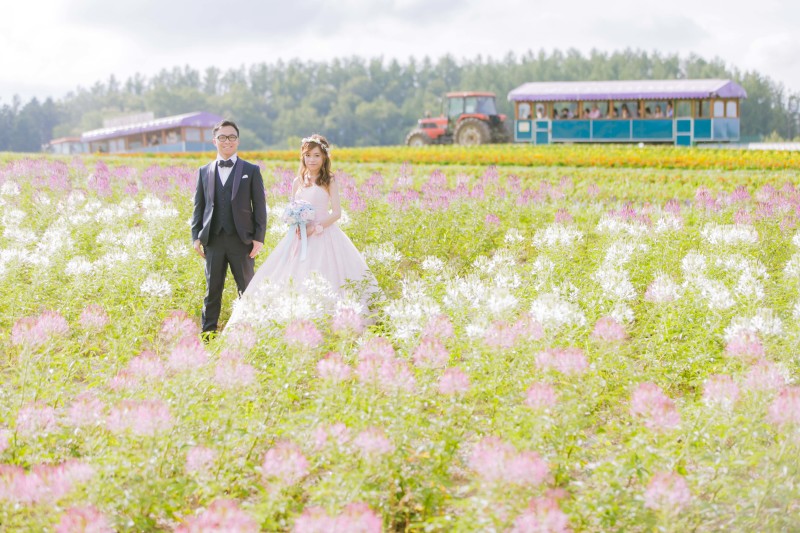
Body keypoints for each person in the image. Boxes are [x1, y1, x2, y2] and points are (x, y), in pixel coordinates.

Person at [227, 134, 377, 327]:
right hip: (299, 237)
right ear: (303, 157)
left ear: (324, 157)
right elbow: (293, 208)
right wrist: (295, 223)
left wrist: (317, 227)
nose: (312, 160)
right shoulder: (297, 182)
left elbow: (337, 212)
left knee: (326, 275)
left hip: (324, 234)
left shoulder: (329, 180)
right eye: (308, 155)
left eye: (316, 155)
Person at [191, 119, 267, 339]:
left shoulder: (251, 170)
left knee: (246, 290)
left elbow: (259, 207)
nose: (227, 141)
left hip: (242, 240)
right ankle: (208, 337)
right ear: (214, 141)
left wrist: (259, 238)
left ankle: (252, 333)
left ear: (238, 141)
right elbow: (199, 206)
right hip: (213, 240)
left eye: (232, 137)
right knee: (212, 291)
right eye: (222, 137)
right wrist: (196, 236)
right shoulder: (204, 171)